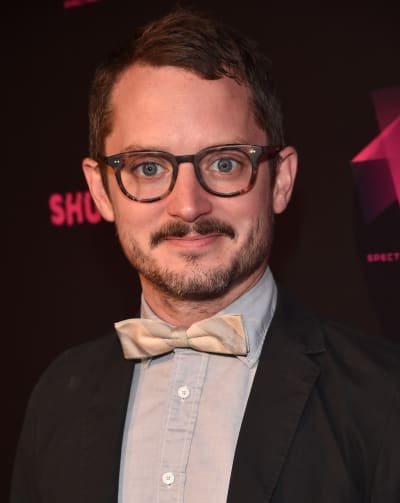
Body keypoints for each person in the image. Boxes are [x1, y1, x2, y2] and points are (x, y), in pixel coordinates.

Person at [11, 6, 400, 503]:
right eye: (148, 167)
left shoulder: (384, 399)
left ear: (280, 180)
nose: (189, 205)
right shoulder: (57, 398)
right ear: (101, 190)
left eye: (223, 163)